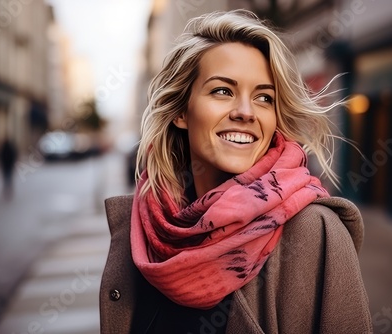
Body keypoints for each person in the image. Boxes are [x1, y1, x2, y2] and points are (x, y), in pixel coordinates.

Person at [100, 9, 372, 334]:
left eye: (263, 97)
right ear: (181, 112)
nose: (245, 112)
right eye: (223, 91)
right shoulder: (144, 230)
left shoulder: (316, 233)